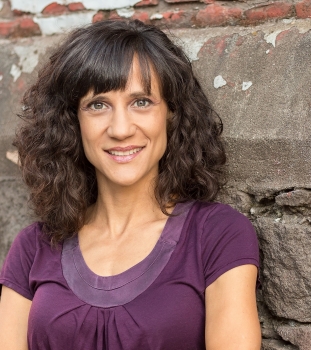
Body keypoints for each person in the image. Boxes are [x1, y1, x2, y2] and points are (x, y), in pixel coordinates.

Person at [0, 19, 261, 350]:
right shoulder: (33, 247)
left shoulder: (218, 236)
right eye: (98, 105)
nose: (121, 129)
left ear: (171, 113)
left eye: (141, 101)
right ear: (72, 122)